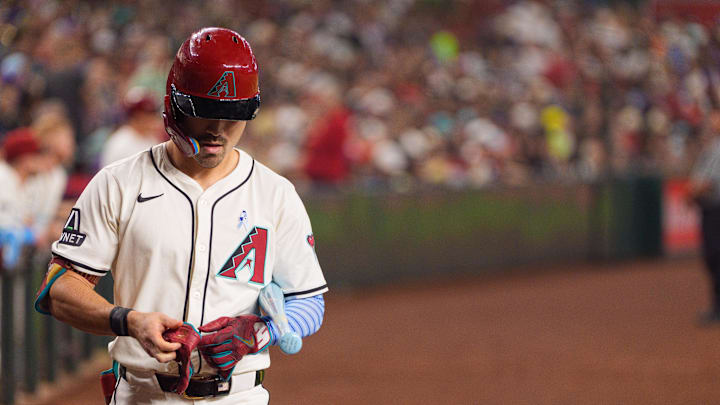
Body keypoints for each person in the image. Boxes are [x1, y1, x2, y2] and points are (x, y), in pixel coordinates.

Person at [34, 27, 328, 404]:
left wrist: (261, 332)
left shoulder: (275, 194)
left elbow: (307, 300)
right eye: (205, 114)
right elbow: (60, 289)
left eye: (233, 116)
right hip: (142, 393)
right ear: (174, 106)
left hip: (239, 395)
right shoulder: (118, 183)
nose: (218, 131)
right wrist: (129, 320)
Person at [0, 128, 46, 269]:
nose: (40, 159)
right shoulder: (3, 176)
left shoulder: (29, 183)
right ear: (23, 158)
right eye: (36, 154)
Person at [690, 123, 720, 324]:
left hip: (715, 209)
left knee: (715, 257)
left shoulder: (716, 149)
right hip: (711, 208)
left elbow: (706, 183)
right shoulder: (712, 147)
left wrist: (690, 193)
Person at [99, 87, 163, 167]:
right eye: (147, 114)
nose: (152, 118)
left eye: (152, 113)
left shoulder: (152, 139)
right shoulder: (120, 143)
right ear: (135, 116)